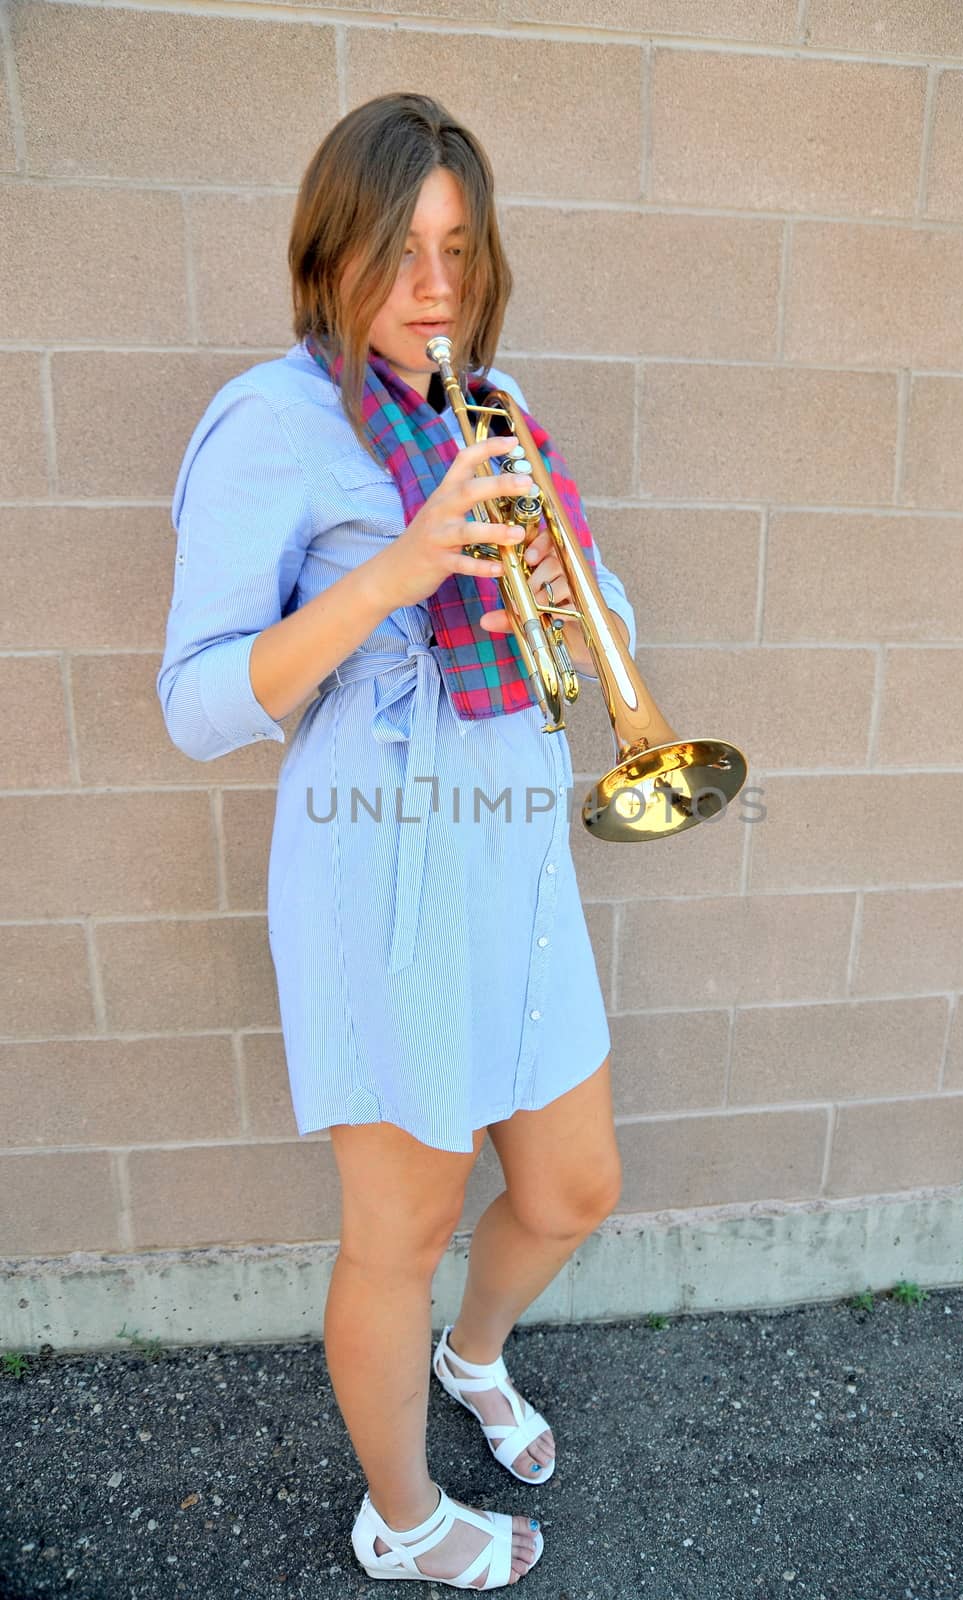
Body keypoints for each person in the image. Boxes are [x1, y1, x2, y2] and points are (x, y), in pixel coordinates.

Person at [157, 92, 637, 1590]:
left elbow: (607, 619)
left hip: (512, 855)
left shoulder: (492, 408)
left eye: (458, 246)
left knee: (572, 1189)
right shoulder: (274, 422)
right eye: (399, 248)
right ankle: (404, 1521)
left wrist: (574, 607)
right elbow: (195, 704)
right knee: (406, 1217)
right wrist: (402, 568)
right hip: (382, 879)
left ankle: (470, 1354)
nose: (434, 285)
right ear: (333, 253)